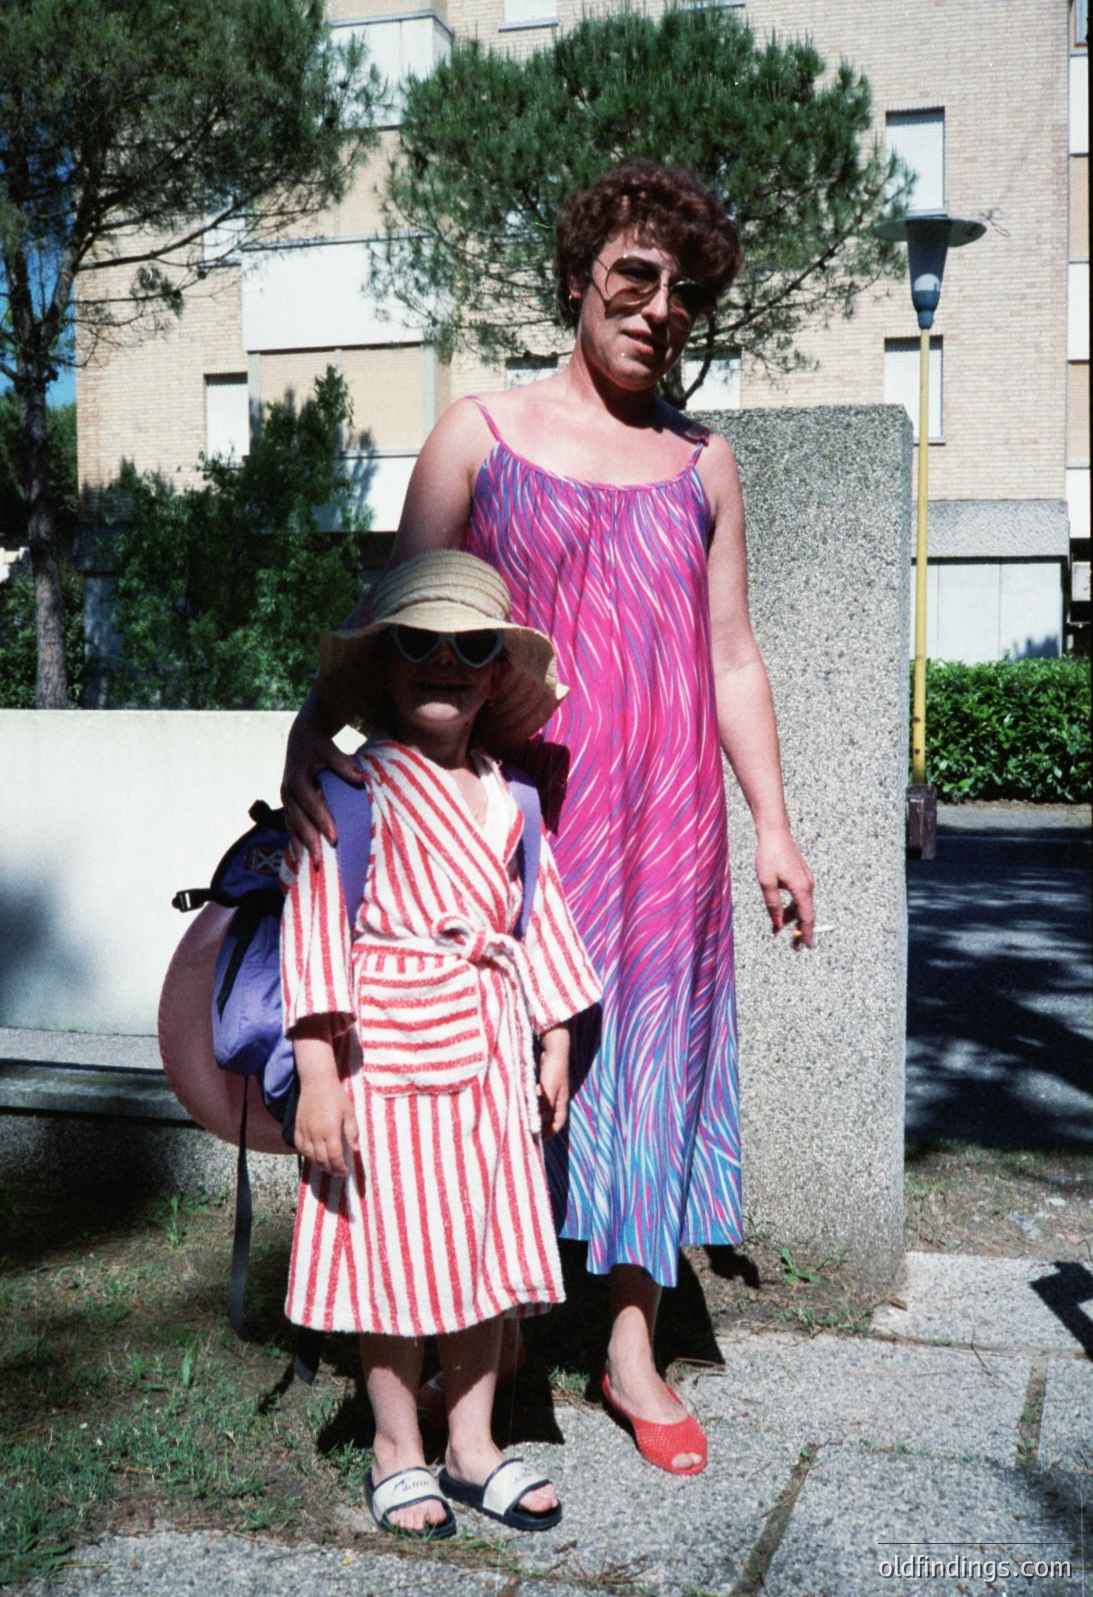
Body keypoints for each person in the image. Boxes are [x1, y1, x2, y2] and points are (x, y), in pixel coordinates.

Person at [283, 160, 816, 1477]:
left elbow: (733, 652)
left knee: (645, 1067)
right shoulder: (480, 431)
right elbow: (397, 613)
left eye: (685, 292)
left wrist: (775, 826)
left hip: (671, 823)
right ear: (580, 275)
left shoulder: (702, 463)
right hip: (510, 826)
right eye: (636, 277)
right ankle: (483, 1329)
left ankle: (630, 1341)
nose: (660, 308)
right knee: (477, 1076)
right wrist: (311, 737)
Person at [282, 550, 601, 1537]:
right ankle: (394, 1444)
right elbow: (313, 928)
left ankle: (472, 1441)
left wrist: (554, 1036)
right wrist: (320, 1079)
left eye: (469, 648)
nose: (442, 663)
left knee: (486, 1252)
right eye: (417, 643)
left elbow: (532, 918)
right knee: (391, 1255)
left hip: (490, 1049)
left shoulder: (512, 801)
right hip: (384, 1053)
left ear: (495, 674)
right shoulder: (350, 791)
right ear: (384, 664)